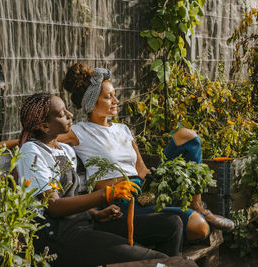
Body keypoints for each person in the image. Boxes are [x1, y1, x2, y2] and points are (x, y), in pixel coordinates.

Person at [0, 63, 234, 237]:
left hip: (146, 191)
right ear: (92, 103)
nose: (116, 100)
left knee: (187, 136)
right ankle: (189, 216)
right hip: (119, 202)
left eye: (114, 95)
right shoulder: (79, 132)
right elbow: (38, 136)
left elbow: (141, 169)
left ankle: (198, 205)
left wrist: (164, 184)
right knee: (198, 228)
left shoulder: (123, 130)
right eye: (109, 96)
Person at [14, 92, 184, 266]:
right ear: (44, 125)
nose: (70, 115)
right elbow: (54, 207)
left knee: (172, 224)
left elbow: (70, 196)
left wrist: (95, 214)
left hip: (84, 224)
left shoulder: (65, 149)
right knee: (158, 261)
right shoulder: (31, 152)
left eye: (67, 110)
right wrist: (107, 194)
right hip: (58, 236)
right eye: (61, 114)